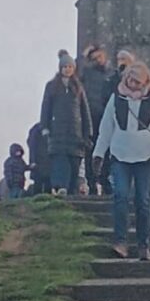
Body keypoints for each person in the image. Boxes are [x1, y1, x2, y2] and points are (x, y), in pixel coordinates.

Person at [93, 59, 150, 259]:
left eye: (137, 82)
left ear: (145, 82)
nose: (132, 84)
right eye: (130, 80)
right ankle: (120, 242)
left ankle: (144, 245)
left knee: (143, 200)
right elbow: (106, 129)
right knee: (120, 196)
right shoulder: (116, 98)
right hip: (120, 156)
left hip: (147, 158)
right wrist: (98, 154)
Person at [40, 50, 93, 196]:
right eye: (65, 67)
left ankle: (70, 189)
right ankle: (60, 187)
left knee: (74, 163)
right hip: (58, 131)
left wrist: (88, 132)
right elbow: (46, 107)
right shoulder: (51, 86)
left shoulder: (78, 87)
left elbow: (85, 111)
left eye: (70, 67)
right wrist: (45, 126)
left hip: (75, 133)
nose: (67, 69)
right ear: (60, 68)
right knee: (59, 161)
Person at [80, 44, 115, 194]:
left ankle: (104, 179)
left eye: (100, 56)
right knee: (90, 150)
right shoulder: (86, 72)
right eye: (95, 58)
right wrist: (84, 56)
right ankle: (92, 182)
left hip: (106, 116)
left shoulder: (111, 74)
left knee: (107, 150)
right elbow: (75, 71)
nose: (98, 60)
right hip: (90, 116)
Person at [27, 121, 51, 195]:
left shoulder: (36, 129)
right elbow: (32, 145)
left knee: (40, 183)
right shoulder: (37, 129)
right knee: (43, 183)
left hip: (40, 162)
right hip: (43, 161)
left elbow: (31, 145)